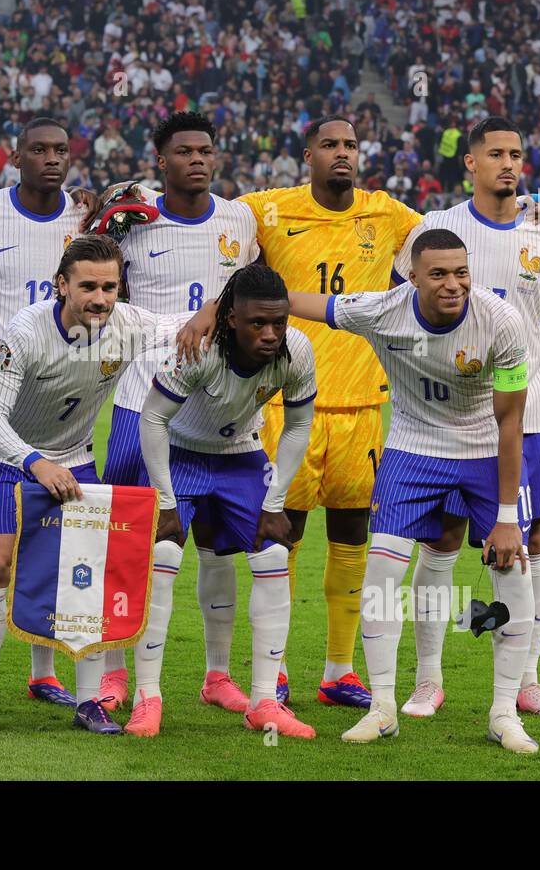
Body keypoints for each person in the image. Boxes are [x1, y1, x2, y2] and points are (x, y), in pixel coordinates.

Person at [182, 116, 423, 710]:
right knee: (279, 534)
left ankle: (339, 669)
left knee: (352, 536)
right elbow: (212, 228)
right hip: (287, 406)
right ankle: (276, 667)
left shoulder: (387, 215)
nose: (343, 154)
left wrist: (524, 214)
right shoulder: (266, 210)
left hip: (364, 405)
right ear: (307, 155)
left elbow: (450, 239)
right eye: (331, 145)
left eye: (351, 145)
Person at [287, 228, 540, 754]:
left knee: (512, 567)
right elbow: (302, 302)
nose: (454, 284)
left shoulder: (502, 321)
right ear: (413, 277)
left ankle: (503, 713)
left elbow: (512, 422)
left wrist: (508, 514)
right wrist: (228, 300)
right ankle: (382, 709)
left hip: (486, 449)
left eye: (461, 272)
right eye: (439, 274)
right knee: (381, 571)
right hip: (412, 450)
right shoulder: (382, 309)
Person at [391, 117, 540, 722]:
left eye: (517, 155)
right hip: (449, 418)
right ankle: (428, 680)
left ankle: (527, 682)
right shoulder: (437, 232)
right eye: (496, 155)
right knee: (442, 541)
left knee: (532, 541)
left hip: (530, 416)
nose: (509, 165)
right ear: (471, 163)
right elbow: (395, 313)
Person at [0, 236, 186, 735]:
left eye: (110, 287)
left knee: (90, 578)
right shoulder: (22, 334)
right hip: (4, 457)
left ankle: (89, 701)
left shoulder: (126, 325)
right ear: (62, 285)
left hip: (76, 459)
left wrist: (215, 308)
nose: (100, 298)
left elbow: (183, 324)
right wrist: (34, 461)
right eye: (88, 286)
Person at [96, 111, 260, 713]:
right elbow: (94, 285)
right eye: (184, 151)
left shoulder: (240, 219)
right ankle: (115, 674)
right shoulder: (133, 224)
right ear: (160, 161)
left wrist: (218, 304)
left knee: (219, 549)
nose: (197, 159)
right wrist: (100, 225)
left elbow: (259, 286)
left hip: (219, 412)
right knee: (130, 546)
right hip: (141, 402)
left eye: (206, 150)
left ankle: (217, 677)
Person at [134, 265, 317, 738]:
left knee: (274, 554)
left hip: (240, 455)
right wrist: (166, 500)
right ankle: (147, 697)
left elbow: (298, 426)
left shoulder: (296, 352)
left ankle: (263, 702)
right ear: (231, 318)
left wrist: (275, 502)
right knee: (163, 553)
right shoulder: (198, 348)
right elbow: (152, 419)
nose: (272, 333)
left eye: (279, 322)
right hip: (178, 450)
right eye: (258, 323)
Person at [0, 117, 87, 710]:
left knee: (49, 542)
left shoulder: (85, 219)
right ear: (15, 155)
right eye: (39, 150)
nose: (51, 159)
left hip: (57, 407)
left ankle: (43, 668)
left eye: (61, 150)